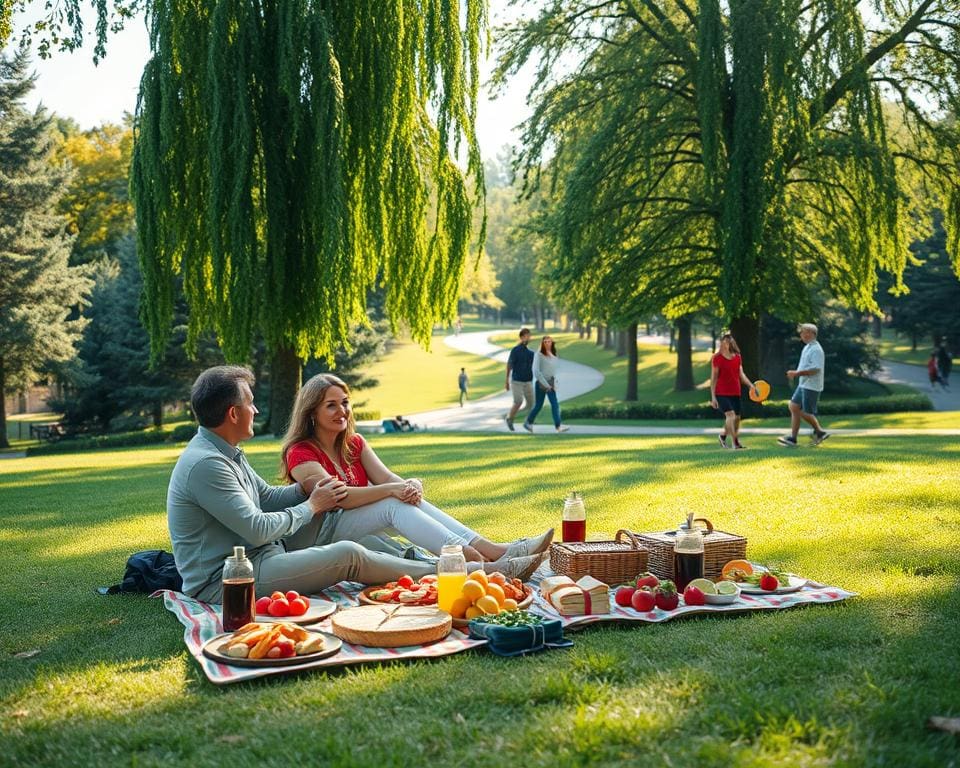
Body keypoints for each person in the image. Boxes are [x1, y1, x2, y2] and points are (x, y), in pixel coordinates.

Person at [167, 366, 440, 603]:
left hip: (265, 553)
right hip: (229, 580)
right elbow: (257, 529)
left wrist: (303, 489)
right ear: (233, 414)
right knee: (348, 555)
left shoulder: (225, 451)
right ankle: (442, 572)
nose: (256, 410)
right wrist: (311, 505)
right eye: (250, 403)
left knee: (345, 527)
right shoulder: (207, 464)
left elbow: (266, 496)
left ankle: (433, 560)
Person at [280, 373, 553, 579]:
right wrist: (392, 490)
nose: (342, 411)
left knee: (404, 498)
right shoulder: (300, 452)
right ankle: (475, 558)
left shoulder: (355, 443)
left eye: (345, 403)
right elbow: (339, 499)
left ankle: (493, 552)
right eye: (331, 405)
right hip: (322, 534)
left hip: (356, 525)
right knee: (392, 503)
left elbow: (386, 477)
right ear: (312, 411)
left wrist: (409, 485)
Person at [778, 324, 829, 447]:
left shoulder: (816, 349)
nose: (802, 335)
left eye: (805, 332)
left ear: (812, 333)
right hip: (803, 384)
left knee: (805, 411)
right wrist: (797, 374)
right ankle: (793, 439)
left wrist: (796, 373)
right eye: (801, 333)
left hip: (811, 385)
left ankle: (820, 432)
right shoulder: (807, 348)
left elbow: (815, 370)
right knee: (793, 406)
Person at [709, 332, 757, 449]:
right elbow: (713, 378)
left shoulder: (737, 357)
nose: (726, 343)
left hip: (735, 391)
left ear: (731, 342)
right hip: (721, 392)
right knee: (730, 415)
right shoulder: (717, 358)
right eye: (723, 340)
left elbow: (741, 374)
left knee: (737, 418)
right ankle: (735, 442)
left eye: (728, 340)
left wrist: (751, 385)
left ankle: (723, 436)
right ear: (721, 342)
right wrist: (713, 397)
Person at [523, 335, 569, 433]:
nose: (548, 343)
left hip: (551, 382)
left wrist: (554, 383)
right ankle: (528, 423)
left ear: (552, 343)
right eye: (545, 342)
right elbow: (536, 371)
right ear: (542, 343)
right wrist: (546, 385)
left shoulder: (554, 354)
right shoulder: (538, 355)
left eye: (549, 341)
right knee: (540, 405)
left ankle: (557, 426)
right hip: (541, 382)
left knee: (554, 404)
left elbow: (553, 371)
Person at [504, 327, 535, 431]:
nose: (528, 338)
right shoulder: (515, 351)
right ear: (521, 337)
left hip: (528, 382)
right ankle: (509, 418)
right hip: (517, 381)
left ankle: (527, 422)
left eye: (529, 336)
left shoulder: (530, 353)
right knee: (518, 401)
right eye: (526, 336)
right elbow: (509, 365)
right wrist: (507, 381)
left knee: (532, 404)